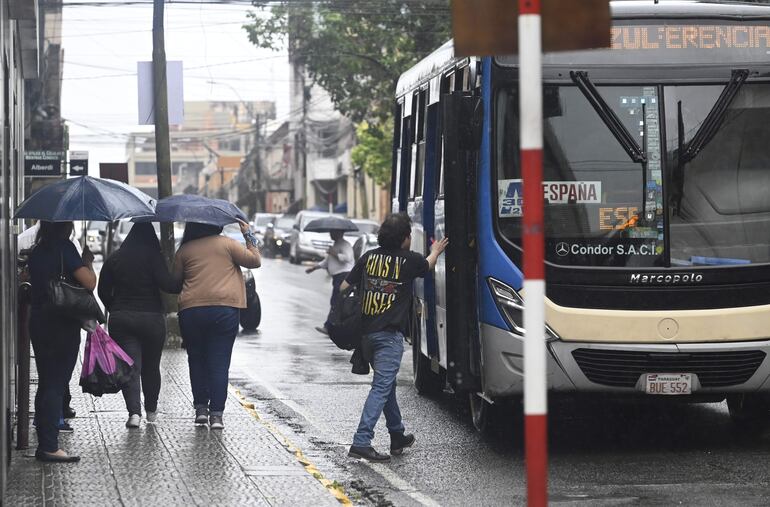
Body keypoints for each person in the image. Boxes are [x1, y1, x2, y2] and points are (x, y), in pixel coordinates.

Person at [342, 213, 448, 462]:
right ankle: (361, 440)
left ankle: (397, 435)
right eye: (409, 235)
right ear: (403, 239)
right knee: (381, 387)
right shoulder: (408, 260)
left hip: (366, 336)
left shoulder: (369, 257)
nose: (410, 239)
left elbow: (345, 286)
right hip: (388, 337)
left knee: (386, 386)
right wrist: (436, 249)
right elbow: (428, 265)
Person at [173, 221, 261, 429]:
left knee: (196, 360)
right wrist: (248, 233)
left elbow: (175, 282)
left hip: (192, 311)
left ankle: (201, 410)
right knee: (219, 362)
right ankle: (216, 416)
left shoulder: (185, 250)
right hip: (224, 310)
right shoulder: (228, 245)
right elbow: (255, 260)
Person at [97, 222, 181, 429]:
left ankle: (134, 414)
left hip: (122, 319)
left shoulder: (115, 257)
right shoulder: (154, 257)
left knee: (130, 367)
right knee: (151, 368)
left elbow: (102, 290)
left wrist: (114, 307)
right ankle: (151, 411)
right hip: (152, 319)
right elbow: (169, 286)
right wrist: (182, 273)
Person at [27, 221, 96, 463]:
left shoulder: (37, 250)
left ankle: (44, 439)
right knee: (56, 383)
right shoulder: (65, 248)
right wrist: (87, 261)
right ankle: (49, 446)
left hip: (38, 321)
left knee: (46, 381)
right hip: (62, 323)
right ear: (65, 226)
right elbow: (90, 283)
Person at [305, 229, 354, 335]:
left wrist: (335, 253)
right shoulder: (335, 245)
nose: (331, 234)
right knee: (338, 302)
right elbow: (327, 261)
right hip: (337, 277)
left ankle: (329, 327)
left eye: (333, 232)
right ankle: (335, 327)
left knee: (337, 301)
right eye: (330, 232)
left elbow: (348, 258)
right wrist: (314, 268)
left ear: (340, 233)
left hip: (344, 276)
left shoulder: (345, 245)